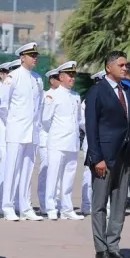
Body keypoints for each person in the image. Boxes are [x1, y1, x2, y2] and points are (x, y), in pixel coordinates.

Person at [84, 52, 130, 258]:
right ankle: (101, 249)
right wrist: (97, 158)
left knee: (119, 204)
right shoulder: (97, 91)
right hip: (104, 158)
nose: (125, 68)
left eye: (127, 65)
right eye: (121, 65)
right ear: (109, 67)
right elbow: (91, 126)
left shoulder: (127, 92)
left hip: (124, 156)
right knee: (99, 205)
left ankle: (114, 246)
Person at [0, 43, 44, 222]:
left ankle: (25, 206)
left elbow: (39, 106)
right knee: (11, 169)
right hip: (16, 131)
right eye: (31, 55)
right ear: (22, 57)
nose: (35, 58)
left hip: (32, 132)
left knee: (27, 170)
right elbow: (3, 106)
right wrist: (13, 124)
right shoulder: (13, 77)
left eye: (36, 55)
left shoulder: (38, 79)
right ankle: (7, 206)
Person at [41, 61, 84, 221]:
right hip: (57, 142)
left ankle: (66, 208)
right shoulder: (53, 95)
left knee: (69, 177)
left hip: (72, 143)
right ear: (61, 76)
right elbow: (45, 120)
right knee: (53, 176)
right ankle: (51, 207)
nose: (72, 78)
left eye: (74, 75)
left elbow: (78, 119)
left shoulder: (76, 96)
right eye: (69, 75)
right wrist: (56, 134)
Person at [79, 69, 104, 216]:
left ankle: (103, 204)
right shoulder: (89, 99)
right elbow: (83, 122)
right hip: (92, 139)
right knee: (90, 173)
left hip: (107, 141)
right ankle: (87, 204)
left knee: (107, 173)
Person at [36, 69, 60, 215]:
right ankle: (44, 203)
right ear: (51, 80)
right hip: (46, 138)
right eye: (57, 77)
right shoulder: (47, 96)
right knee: (46, 171)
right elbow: (44, 120)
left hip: (58, 139)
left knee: (58, 173)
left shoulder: (66, 95)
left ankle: (55, 202)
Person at [0, 61, 14, 213]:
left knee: (8, 168)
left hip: (10, 133)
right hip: (0, 132)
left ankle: (4, 200)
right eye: (6, 72)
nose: (9, 75)